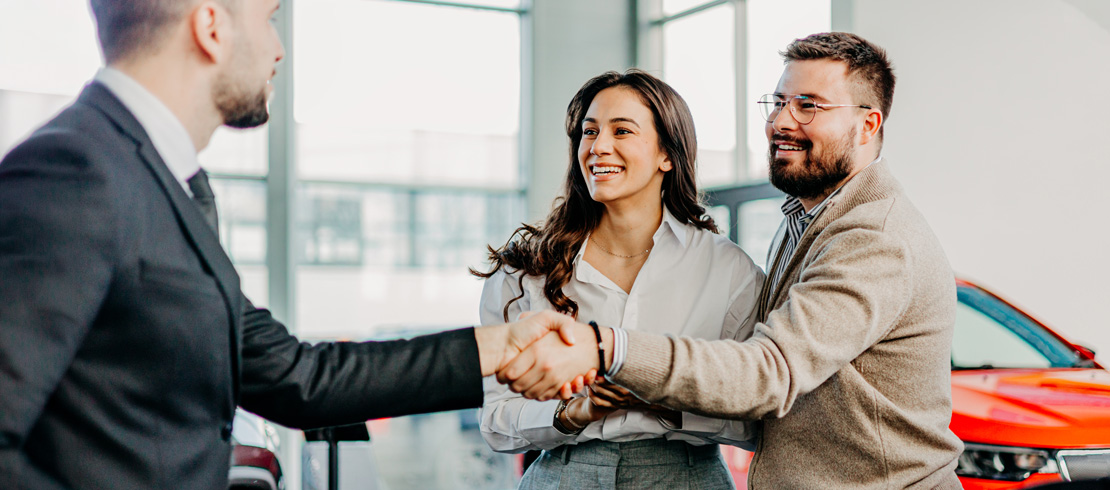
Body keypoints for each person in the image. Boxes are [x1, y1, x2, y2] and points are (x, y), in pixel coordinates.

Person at [0, 1, 581, 489]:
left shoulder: (161, 182)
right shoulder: (74, 172)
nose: (278, 49)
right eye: (269, 17)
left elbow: (296, 376)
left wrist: (497, 347)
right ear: (211, 27)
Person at [501, 32, 965, 489]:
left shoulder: (871, 237)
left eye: (808, 105)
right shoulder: (805, 219)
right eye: (778, 102)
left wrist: (608, 347)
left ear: (868, 124)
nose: (782, 121)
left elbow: (768, 372)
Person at [475, 70, 763, 489]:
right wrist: (575, 411)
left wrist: (663, 394)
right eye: (589, 132)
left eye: (621, 130)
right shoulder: (527, 270)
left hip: (685, 478)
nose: (598, 147)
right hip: (564, 475)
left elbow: (754, 414)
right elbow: (495, 420)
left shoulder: (727, 269)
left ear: (667, 155)